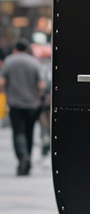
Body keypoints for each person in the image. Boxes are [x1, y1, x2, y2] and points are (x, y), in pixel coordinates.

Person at [0, 39, 45, 175]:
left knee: (18, 132)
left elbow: (1, 82)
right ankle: (28, 160)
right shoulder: (34, 62)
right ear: (27, 49)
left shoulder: (9, 61)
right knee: (29, 132)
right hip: (32, 104)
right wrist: (38, 97)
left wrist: (6, 93)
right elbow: (42, 85)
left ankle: (22, 157)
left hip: (15, 104)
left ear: (15, 49)